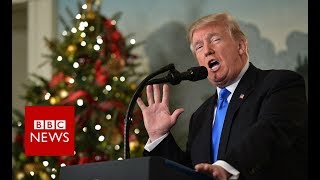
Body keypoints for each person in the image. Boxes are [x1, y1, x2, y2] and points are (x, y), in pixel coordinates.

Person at [136, 12, 308, 180]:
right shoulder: (200, 116)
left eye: (215, 40)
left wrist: (226, 167)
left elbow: (269, 131)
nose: (207, 51)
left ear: (241, 46)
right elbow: (192, 172)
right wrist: (159, 137)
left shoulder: (280, 84)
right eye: (199, 46)